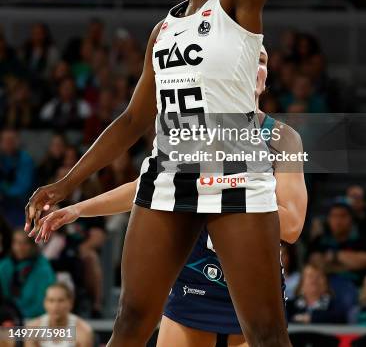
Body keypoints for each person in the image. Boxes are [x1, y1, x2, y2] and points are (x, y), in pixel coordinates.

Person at [26, 0, 346, 347]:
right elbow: (130, 122)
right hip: (170, 166)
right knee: (130, 322)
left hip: (235, 162)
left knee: (268, 331)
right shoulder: (163, 28)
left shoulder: (241, 5)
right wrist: (64, 182)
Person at [31, 47, 308, 347]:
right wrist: (77, 210)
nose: (256, 65)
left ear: (266, 78)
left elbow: (292, 226)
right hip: (193, 279)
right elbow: (149, 187)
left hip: (252, 281)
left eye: (263, 60)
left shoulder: (282, 138)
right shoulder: (188, 132)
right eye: (248, 58)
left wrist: (218, 187)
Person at [0, 229, 55, 319]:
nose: (20, 247)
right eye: (16, 242)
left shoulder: (42, 267)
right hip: (10, 315)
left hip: (36, 316)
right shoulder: (4, 265)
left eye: (25, 243)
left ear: (32, 245)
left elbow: (45, 299)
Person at [25, 283, 93, 347]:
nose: (55, 306)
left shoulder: (83, 331)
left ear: (70, 303)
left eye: (61, 300)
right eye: (51, 300)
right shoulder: (32, 328)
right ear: (44, 303)